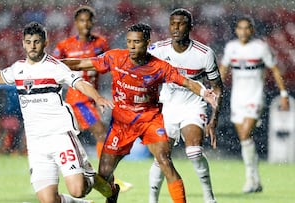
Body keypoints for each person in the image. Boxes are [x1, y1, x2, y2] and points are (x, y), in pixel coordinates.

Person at [62, 23, 219, 203]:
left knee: (164, 161)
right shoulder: (115, 58)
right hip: (122, 123)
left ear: (147, 42)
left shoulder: (159, 67)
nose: (131, 46)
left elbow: (188, 82)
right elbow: (82, 63)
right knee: (103, 176)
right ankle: (113, 192)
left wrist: (203, 92)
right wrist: (53, 65)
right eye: (129, 42)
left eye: (136, 42)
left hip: (149, 120)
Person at [0, 21, 115, 203]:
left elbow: (80, 82)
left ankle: (93, 179)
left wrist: (97, 97)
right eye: (28, 42)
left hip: (60, 135)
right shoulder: (18, 69)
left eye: (36, 41)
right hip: (36, 143)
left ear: (45, 42)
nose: (32, 46)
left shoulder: (54, 66)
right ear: (23, 43)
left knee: (77, 190)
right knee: (49, 200)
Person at [51, 5, 132, 192]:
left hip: (91, 97)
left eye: (88, 20)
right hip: (77, 98)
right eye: (81, 20)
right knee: (101, 133)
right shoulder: (65, 45)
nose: (85, 24)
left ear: (93, 22)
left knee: (69, 136)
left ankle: (85, 175)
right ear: (76, 23)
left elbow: (111, 64)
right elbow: (54, 64)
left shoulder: (101, 43)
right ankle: (106, 179)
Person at [147, 8, 223, 203]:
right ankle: (152, 200)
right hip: (167, 107)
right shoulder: (157, 50)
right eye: (173, 23)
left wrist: (214, 120)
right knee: (160, 158)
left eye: (181, 24)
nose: (176, 28)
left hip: (193, 106)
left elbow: (217, 88)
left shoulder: (204, 54)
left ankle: (209, 198)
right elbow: (139, 72)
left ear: (190, 27)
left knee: (194, 151)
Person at [219, 16, 290, 193]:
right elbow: (223, 68)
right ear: (236, 31)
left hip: (255, 96)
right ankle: (255, 179)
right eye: (240, 28)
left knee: (245, 134)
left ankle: (250, 179)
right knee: (245, 139)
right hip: (237, 98)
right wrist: (215, 88)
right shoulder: (231, 48)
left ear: (252, 30)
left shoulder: (260, 48)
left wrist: (283, 94)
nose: (243, 32)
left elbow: (274, 69)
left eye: (247, 28)